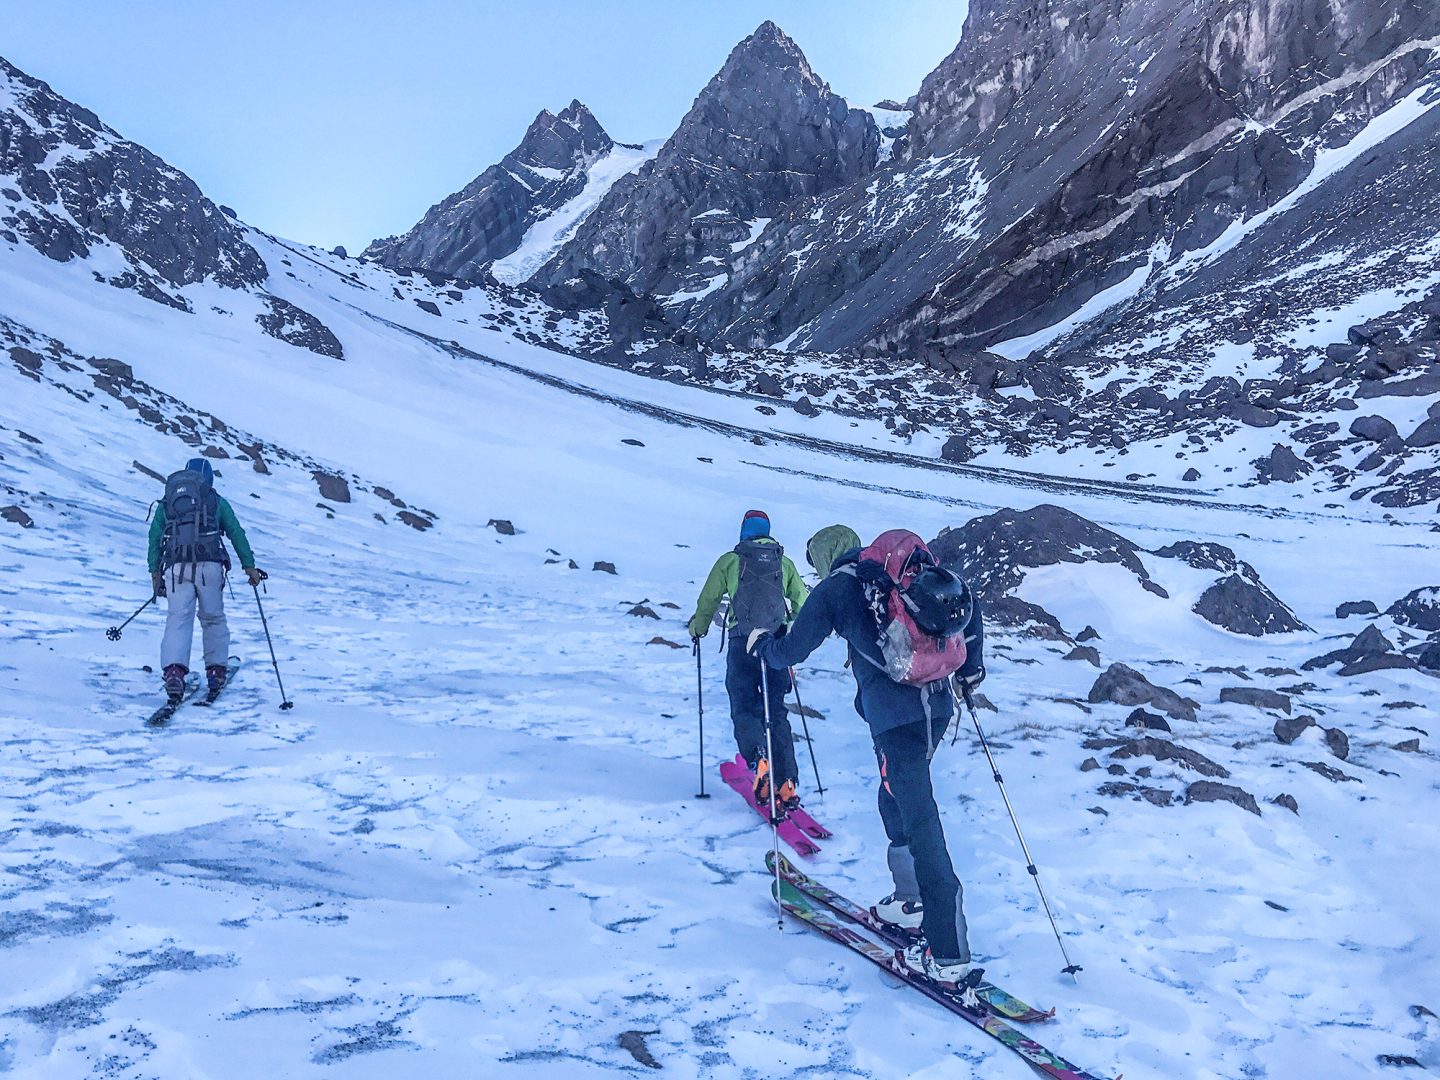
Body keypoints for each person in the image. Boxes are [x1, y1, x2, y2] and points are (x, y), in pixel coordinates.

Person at [749, 529, 986, 989]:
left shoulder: (839, 588)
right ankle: (911, 901)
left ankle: (948, 951)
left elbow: (792, 650)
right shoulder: (909, 576)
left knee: (921, 822)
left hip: (898, 725)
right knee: (893, 799)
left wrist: (762, 646)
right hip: (935, 710)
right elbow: (968, 606)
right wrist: (972, 666)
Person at [688, 510, 809, 809]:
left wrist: (698, 628)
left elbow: (708, 600)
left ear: (744, 530)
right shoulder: (784, 562)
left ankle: (759, 761)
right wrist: (791, 629)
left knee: (743, 706)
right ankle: (787, 782)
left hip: (742, 642)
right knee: (777, 712)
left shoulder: (731, 560)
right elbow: (802, 601)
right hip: (777, 646)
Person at [147, 457, 265, 701]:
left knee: (178, 619)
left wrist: (155, 572)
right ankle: (216, 672)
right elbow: (236, 533)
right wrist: (249, 567)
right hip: (210, 567)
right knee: (213, 618)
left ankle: (174, 672)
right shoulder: (216, 502)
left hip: (176, 568)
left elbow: (155, 536)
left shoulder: (169, 502)